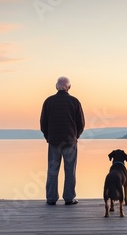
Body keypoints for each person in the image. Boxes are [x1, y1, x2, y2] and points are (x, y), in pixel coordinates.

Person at [40, 76, 85, 205]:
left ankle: (51, 198)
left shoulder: (48, 101)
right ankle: (69, 198)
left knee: (52, 170)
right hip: (70, 141)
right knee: (70, 171)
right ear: (69, 87)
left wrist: (48, 137)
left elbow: (43, 123)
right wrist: (75, 136)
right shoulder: (74, 102)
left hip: (54, 141)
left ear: (56, 86)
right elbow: (81, 123)